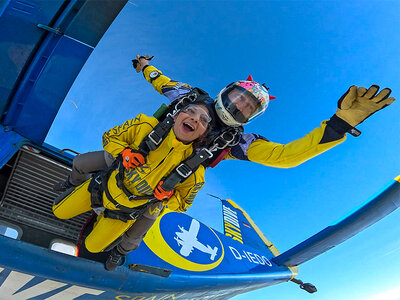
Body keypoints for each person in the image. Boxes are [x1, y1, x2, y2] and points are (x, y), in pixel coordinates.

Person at [133, 55, 395, 168]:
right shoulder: (189, 96)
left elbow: (284, 157)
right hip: (129, 153)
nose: (239, 107)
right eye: (239, 99)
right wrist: (144, 65)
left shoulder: (235, 142)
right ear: (226, 91)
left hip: (161, 190)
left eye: (248, 108)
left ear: (251, 118)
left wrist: (338, 125)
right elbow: (160, 79)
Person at [53, 99, 215, 271]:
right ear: (176, 115)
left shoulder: (195, 172)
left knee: (95, 246)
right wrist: (124, 152)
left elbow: (183, 204)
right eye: (190, 111)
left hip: (126, 213)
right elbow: (109, 137)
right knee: (59, 211)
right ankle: (74, 184)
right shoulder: (145, 125)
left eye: (203, 120)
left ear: (202, 135)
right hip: (101, 189)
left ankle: (119, 250)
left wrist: (169, 197)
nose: (195, 118)